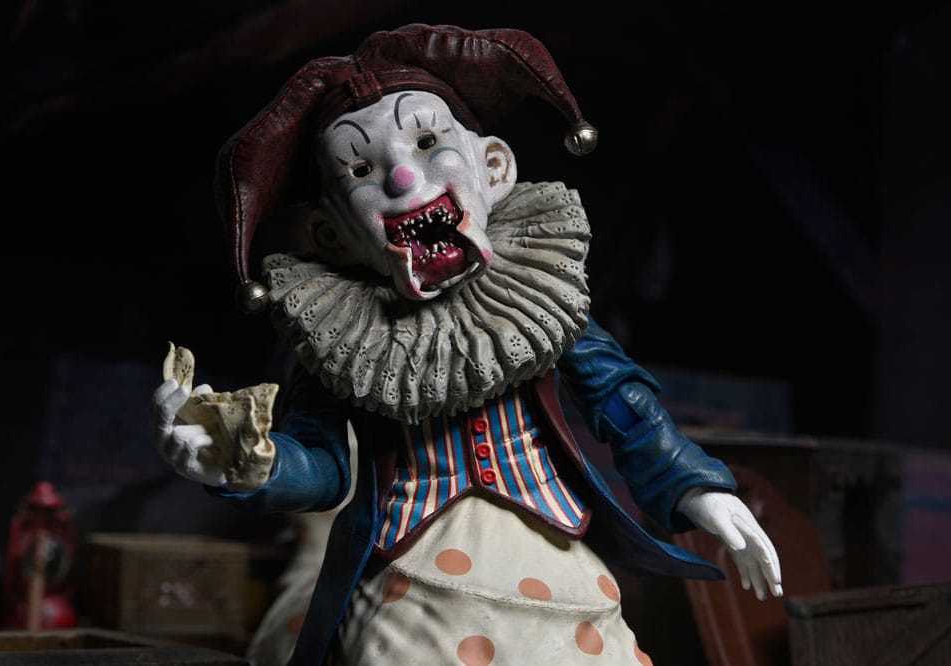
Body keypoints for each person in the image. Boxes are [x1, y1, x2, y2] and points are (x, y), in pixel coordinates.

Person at [152, 23, 782, 665]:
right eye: (361, 169)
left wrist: (698, 490)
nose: (403, 175)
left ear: (494, 168)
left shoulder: (537, 298)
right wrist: (238, 460)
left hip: (551, 547)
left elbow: (624, 408)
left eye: (428, 142)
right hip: (411, 569)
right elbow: (323, 467)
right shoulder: (341, 340)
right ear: (335, 235)